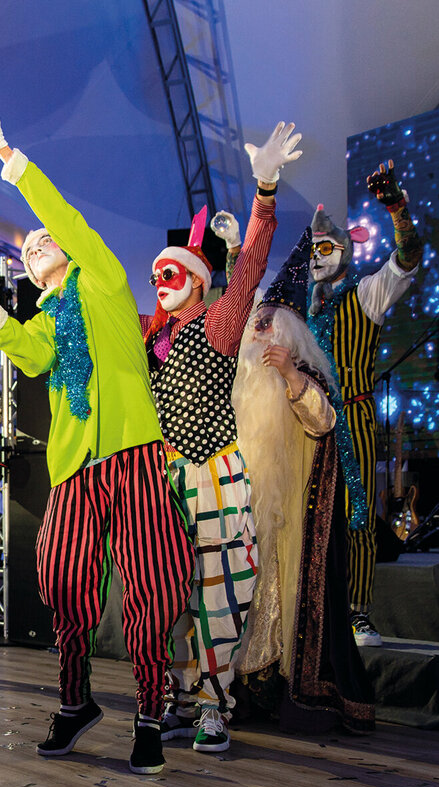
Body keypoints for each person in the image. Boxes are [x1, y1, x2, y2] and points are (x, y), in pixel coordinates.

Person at [0, 96, 195, 775]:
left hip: (134, 453)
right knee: (63, 579)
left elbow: (65, 218)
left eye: (42, 238)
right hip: (75, 467)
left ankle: (150, 714)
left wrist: (4, 151)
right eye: (27, 248)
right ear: (31, 274)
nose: (36, 242)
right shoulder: (47, 320)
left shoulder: (102, 278)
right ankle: (75, 701)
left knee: (151, 586)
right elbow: (29, 351)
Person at [142, 122, 300, 753]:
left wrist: (265, 189)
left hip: (215, 471)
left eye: (170, 271)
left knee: (222, 590)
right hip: (165, 477)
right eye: (155, 273)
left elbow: (251, 265)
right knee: (170, 593)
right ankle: (181, 699)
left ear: (197, 279)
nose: (160, 279)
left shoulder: (217, 320)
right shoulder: (150, 338)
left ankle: (213, 705)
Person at [234, 231, 375, 733]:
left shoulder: (306, 372)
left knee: (292, 596)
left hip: (298, 515)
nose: (259, 333)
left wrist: (292, 375)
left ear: (289, 333)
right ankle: (253, 690)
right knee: (256, 597)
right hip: (255, 516)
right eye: (256, 324)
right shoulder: (244, 385)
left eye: (268, 325)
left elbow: (323, 421)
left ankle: (299, 689)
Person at [306, 161, 421, 647]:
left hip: (352, 416)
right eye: (313, 250)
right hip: (304, 421)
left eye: (326, 248)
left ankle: (358, 613)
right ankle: (313, 613)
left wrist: (397, 209)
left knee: (356, 515)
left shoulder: (366, 295)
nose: (317, 258)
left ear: (345, 251)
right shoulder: (300, 310)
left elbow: (408, 258)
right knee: (308, 518)